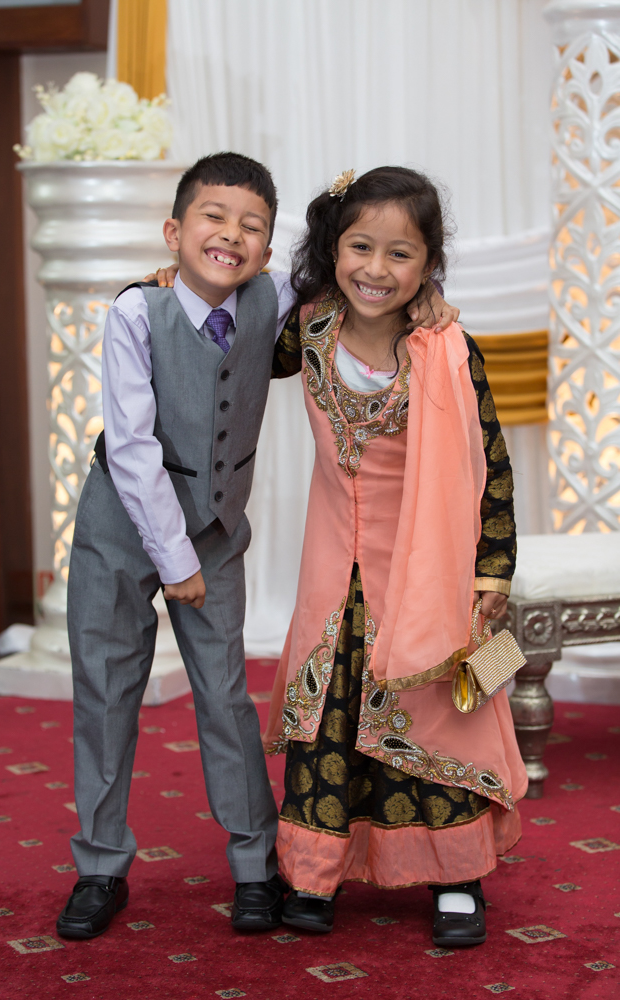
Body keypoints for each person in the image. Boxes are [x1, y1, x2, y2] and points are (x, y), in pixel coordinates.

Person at [57, 151, 459, 941]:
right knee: (105, 693)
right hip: (119, 527)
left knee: (225, 695)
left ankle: (253, 863)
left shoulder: (275, 302)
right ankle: (100, 865)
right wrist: (174, 563)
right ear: (174, 231)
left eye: (250, 227)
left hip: (213, 530)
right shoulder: (134, 312)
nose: (229, 236)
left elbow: (363, 285)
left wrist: (429, 298)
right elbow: (131, 448)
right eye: (212, 218)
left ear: (268, 250)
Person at [262, 166, 527, 945]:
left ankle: (456, 878)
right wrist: (174, 281)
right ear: (332, 248)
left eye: (400, 254)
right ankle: (314, 872)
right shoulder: (307, 331)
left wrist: (491, 573)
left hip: (427, 574)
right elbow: (226, 332)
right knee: (328, 718)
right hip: (332, 574)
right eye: (359, 247)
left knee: (437, 717)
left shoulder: (446, 347)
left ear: (428, 265)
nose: (375, 269)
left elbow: (490, 464)